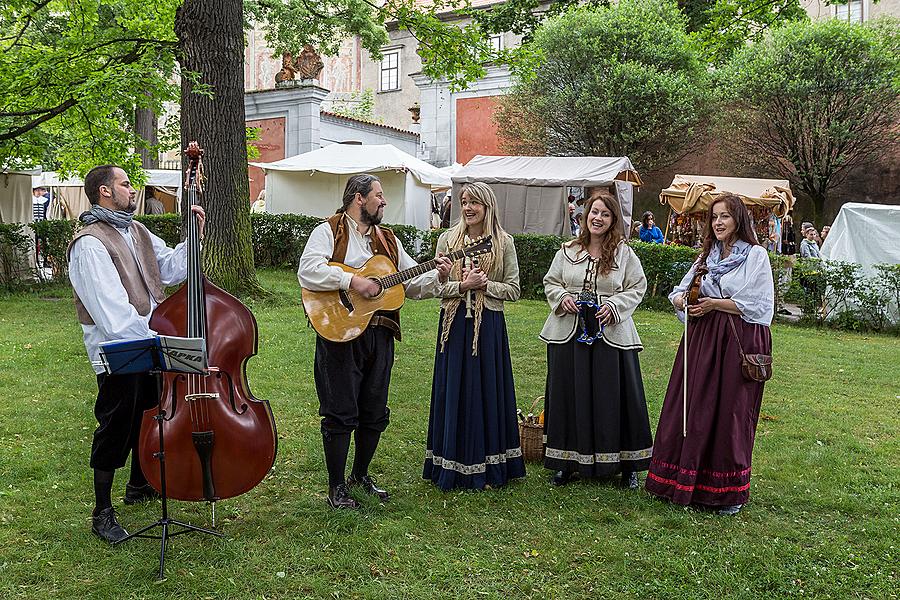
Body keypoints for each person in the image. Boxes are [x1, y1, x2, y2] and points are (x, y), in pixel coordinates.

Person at [67, 165, 205, 542]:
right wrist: (161, 341)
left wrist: (195, 234)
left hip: (149, 344)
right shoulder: (90, 243)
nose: (133, 189)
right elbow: (113, 316)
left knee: (150, 415)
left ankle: (140, 486)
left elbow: (174, 269)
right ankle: (102, 511)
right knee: (117, 425)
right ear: (105, 192)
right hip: (119, 351)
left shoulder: (137, 231)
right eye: (126, 184)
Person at [297, 174, 451, 509]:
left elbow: (411, 283)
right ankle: (336, 486)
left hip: (380, 336)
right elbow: (308, 271)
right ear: (357, 198)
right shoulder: (329, 230)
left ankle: (360, 476)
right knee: (340, 410)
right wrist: (353, 281)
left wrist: (438, 275)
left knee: (374, 408)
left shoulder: (389, 240)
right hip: (339, 333)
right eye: (378, 195)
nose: (383, 201)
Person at [645, 193, 773, 516]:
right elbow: (678, 292)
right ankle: (682, 481)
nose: (718, 222)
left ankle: (726, 493)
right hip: (702, 339)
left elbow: (756, 303)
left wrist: (715, 303)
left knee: (730, 412)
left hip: (737, 340)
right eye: (714, 217)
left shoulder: (755, 256)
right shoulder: (706, 258)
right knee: (693, 409)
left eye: (725, 216)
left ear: (738, 220)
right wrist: (685, 302)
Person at [540, 191, 653, 489]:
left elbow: (637, 286)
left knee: (614, 396)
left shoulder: (624, 254)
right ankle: (566, 461)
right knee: (569, 394)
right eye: (594, 212)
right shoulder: (567, 251)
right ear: (584, 216)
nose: (598, 218)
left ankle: (627, 464)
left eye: (605, 214)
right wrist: (562, 296)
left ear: (613, 220)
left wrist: (615, 306)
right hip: (570, 332)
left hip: (611, 334)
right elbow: (551, 281)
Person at [424, 182, 525, 491]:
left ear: (487, 207)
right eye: (464, 202)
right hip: (453, 327)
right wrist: (462, 287)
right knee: (454, 389)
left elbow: (514, 289)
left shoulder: (503, 242)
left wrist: (484, 286)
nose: (467, 208)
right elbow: (437, 287)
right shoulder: (446, 240)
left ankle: (491, 465)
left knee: (486, 391)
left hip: (489, 326)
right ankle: (449, 464)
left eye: (474, 203)